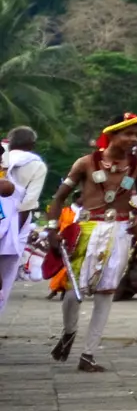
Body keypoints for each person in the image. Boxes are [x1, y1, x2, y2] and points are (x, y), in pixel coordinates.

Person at [45, 114, 137, 371]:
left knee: (106, 292)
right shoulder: (86, 163)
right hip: (89, 229)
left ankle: (88, 354)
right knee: (73, 293)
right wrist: (51, 229)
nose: (133, 139)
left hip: (121, 231)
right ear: (111, 134)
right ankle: (69, 332)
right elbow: (59, 198)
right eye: (128, 133)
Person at [0, 127, 48, 319]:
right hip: (16, 223)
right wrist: (14, 233)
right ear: (32, 145)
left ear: (10, 142)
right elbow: (29, 201)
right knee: (6, 275)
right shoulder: (37, 166)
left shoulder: (4, 157)